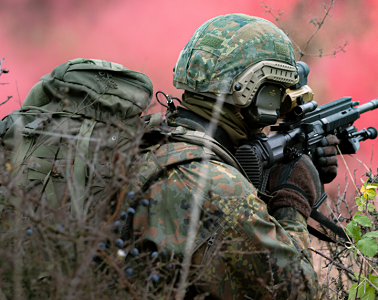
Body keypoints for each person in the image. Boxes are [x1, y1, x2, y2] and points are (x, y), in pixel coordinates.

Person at [126, 13, 339, 299]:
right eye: (276, 92)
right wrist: (292, 198)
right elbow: (296, 290)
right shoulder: (218, 187)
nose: (279, 104)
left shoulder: (151, 139)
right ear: (252, 90)